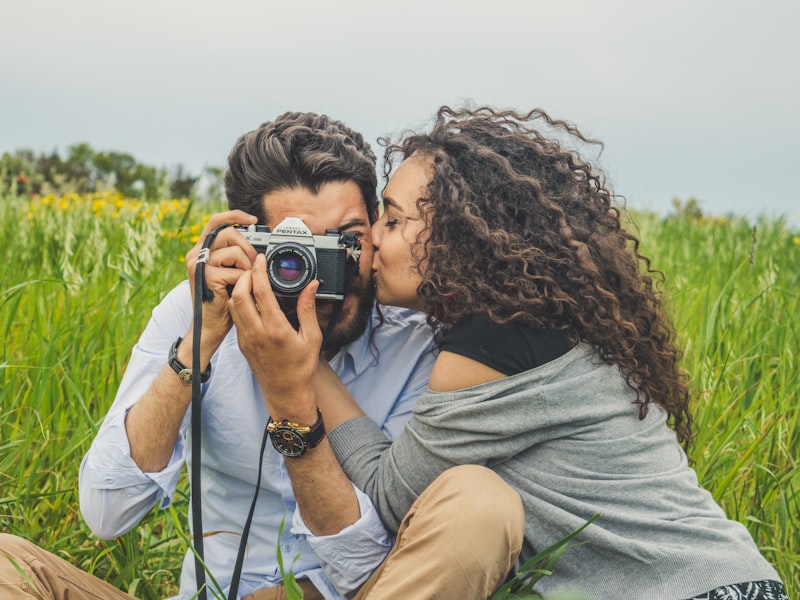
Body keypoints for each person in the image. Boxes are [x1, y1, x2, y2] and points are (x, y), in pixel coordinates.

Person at [231, 106, 789, 600]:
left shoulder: (493, 345)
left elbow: (391, 495)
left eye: (395, 221)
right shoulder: (533, 324)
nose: (371, 240)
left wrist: (301, 369)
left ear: (459, 239)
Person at [0, 112, 436, 599]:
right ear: (247, 244)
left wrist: (291, 390)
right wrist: (202, 337)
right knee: (7, 563)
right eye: (297, 254)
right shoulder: (200, 310)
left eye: (348, 242)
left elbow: (376, 569)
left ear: (377, 227)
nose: (324, 279)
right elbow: (108, 510)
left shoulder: (416, 345)